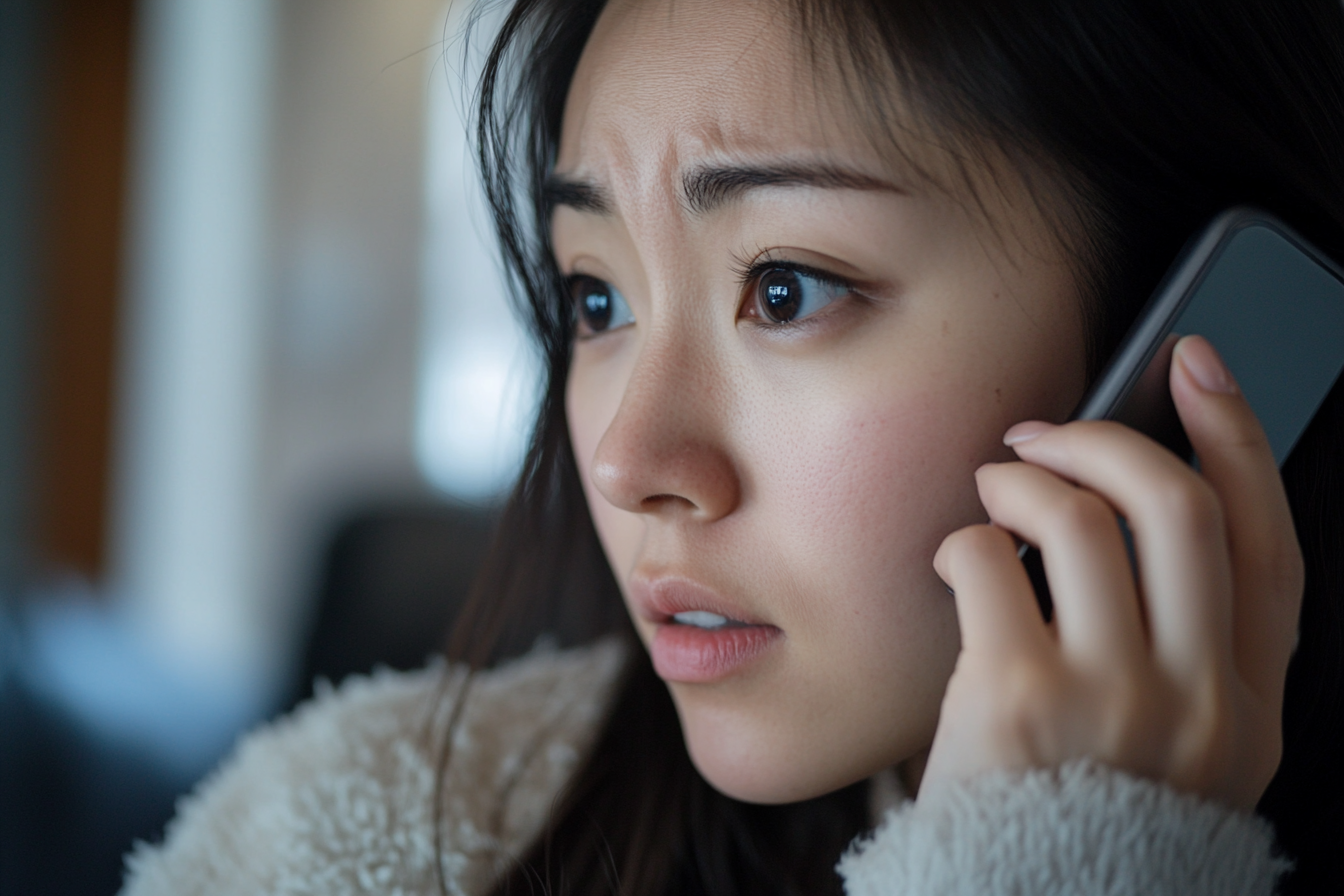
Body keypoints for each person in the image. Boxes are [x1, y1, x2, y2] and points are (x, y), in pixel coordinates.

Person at [120, 0, 1344, 894]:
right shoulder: (357, 843)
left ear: (1188, 339)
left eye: (788, 288)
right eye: (596, 300)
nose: (627, 458)